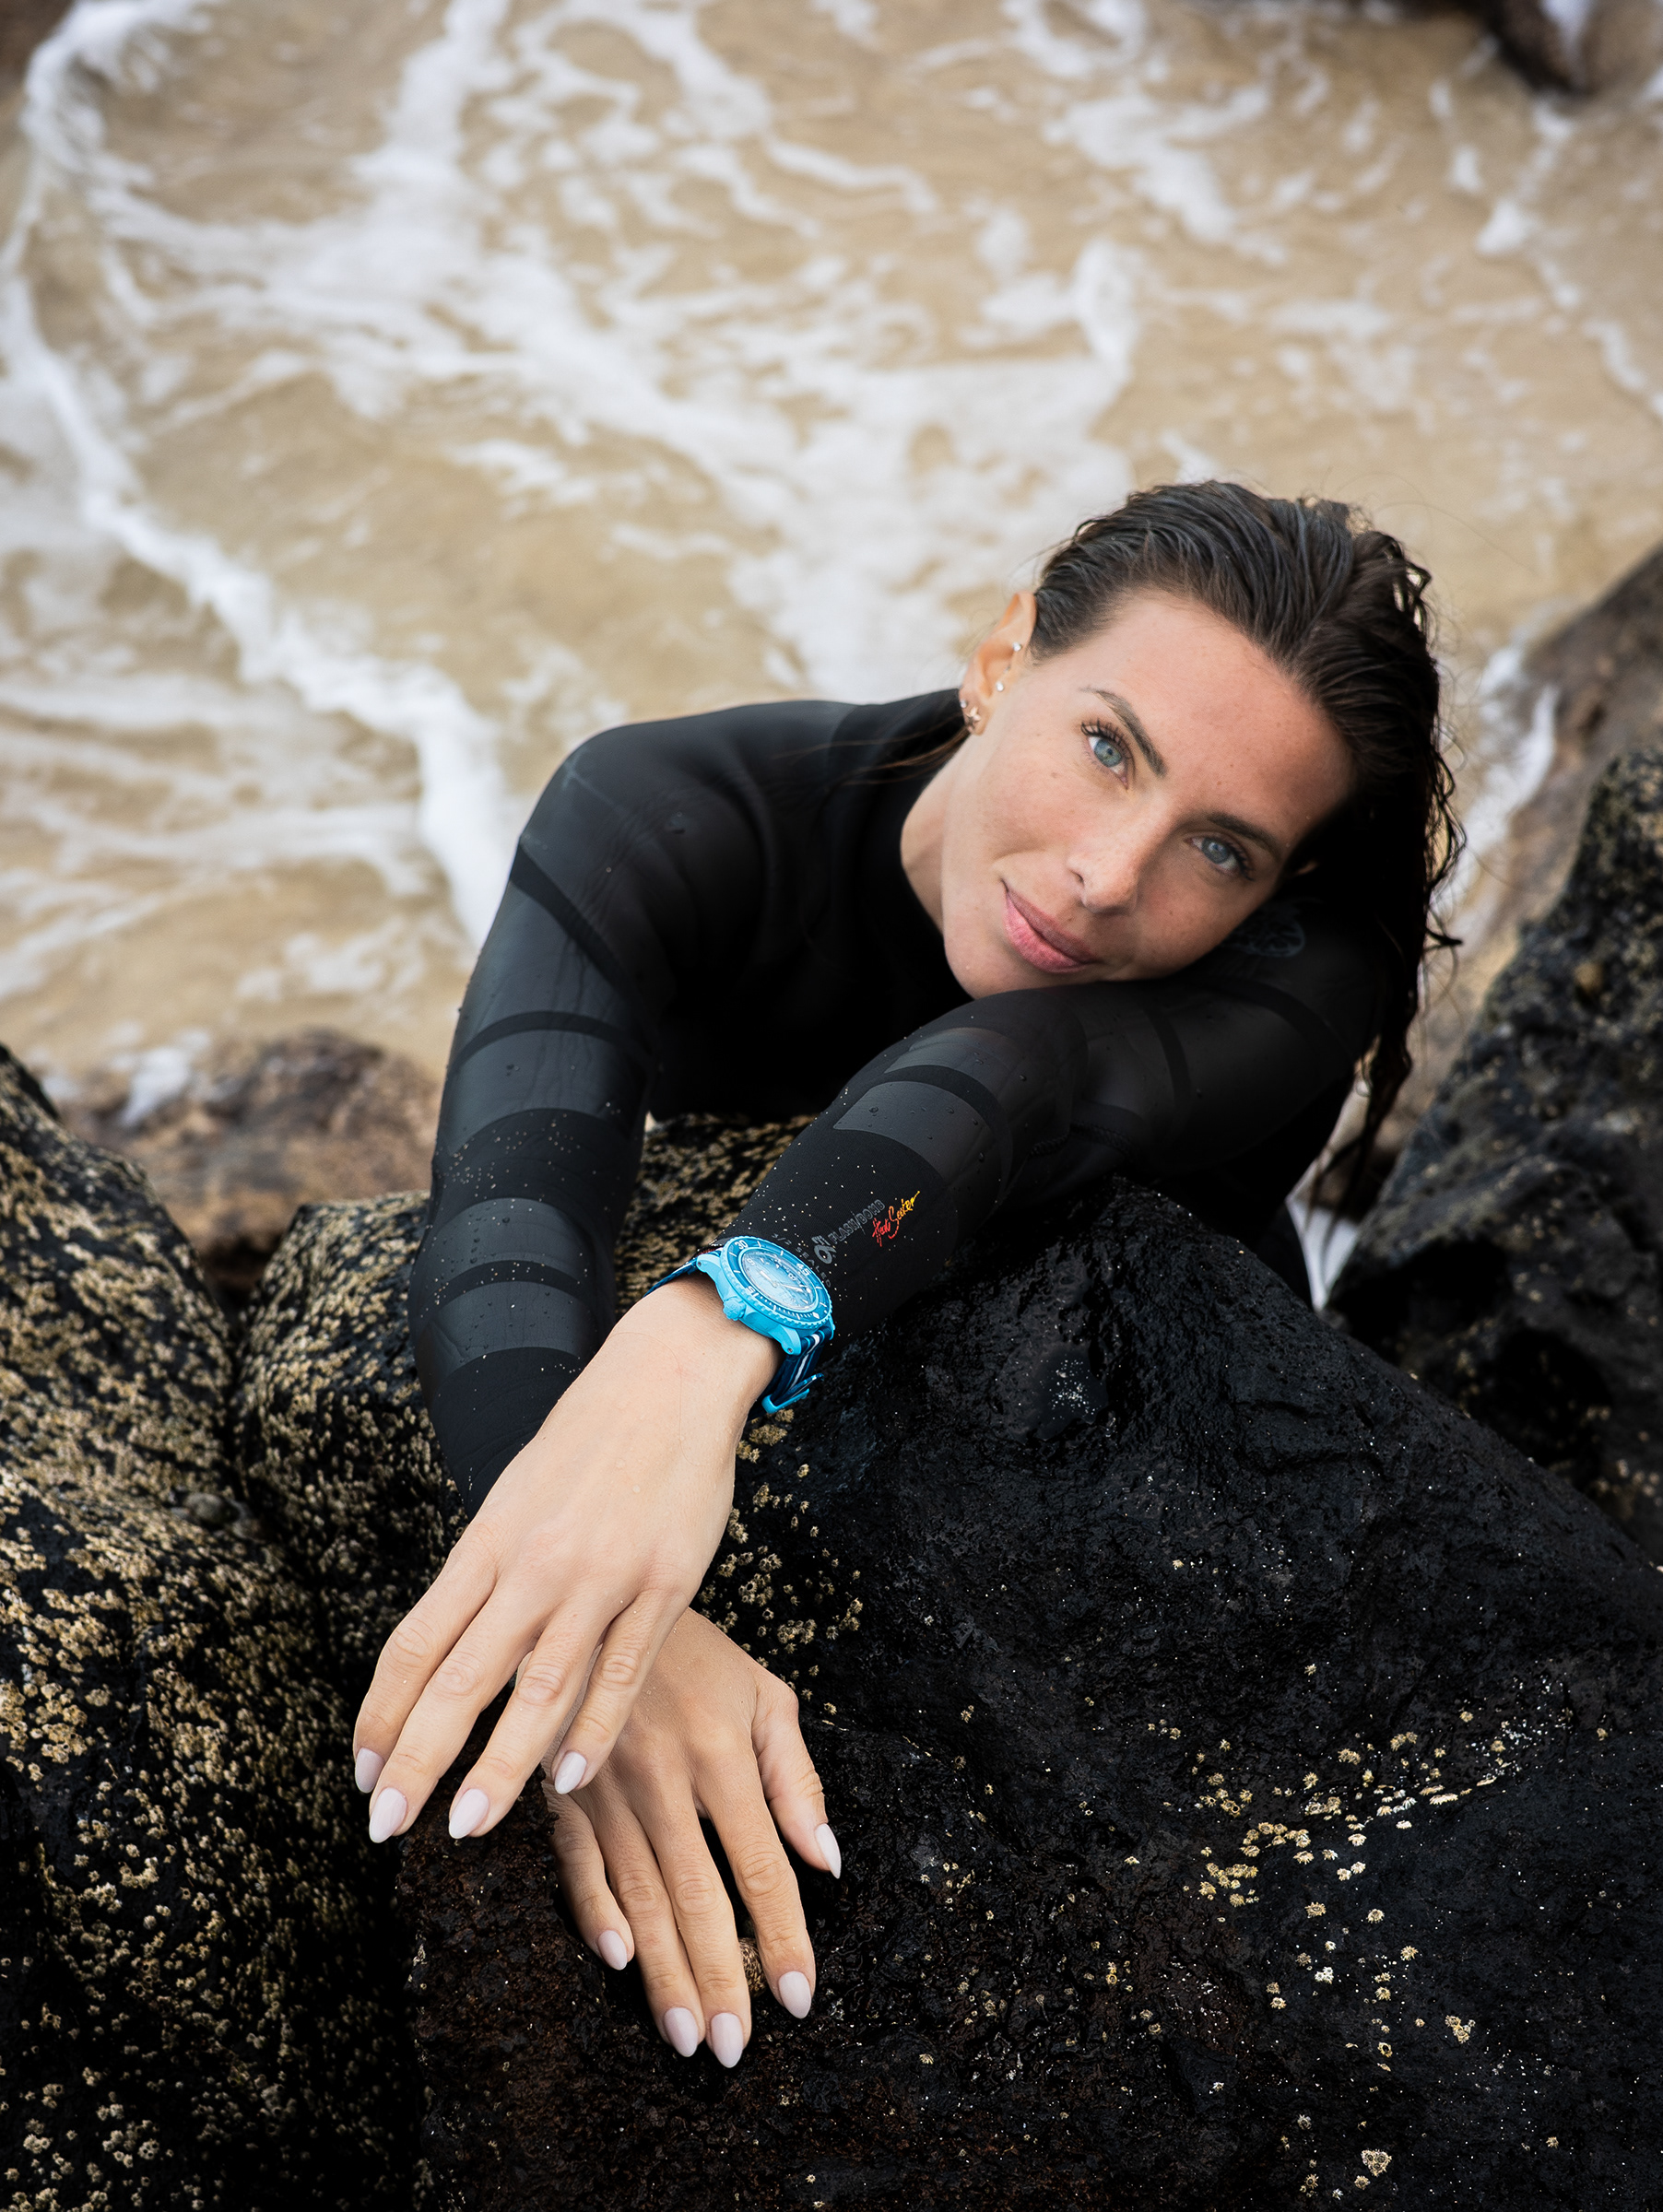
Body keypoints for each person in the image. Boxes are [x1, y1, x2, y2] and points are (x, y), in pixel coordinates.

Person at [349, 481, 1457, 2074]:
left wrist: (706, 1333)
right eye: (1108, 746)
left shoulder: (1309, 959)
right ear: (1002, 659)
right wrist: (613, 1631)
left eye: (1219, 846)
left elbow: (1009, 1076)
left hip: (1188, 1470)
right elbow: (505, 1197)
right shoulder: (674, 811)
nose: (1109, 875)